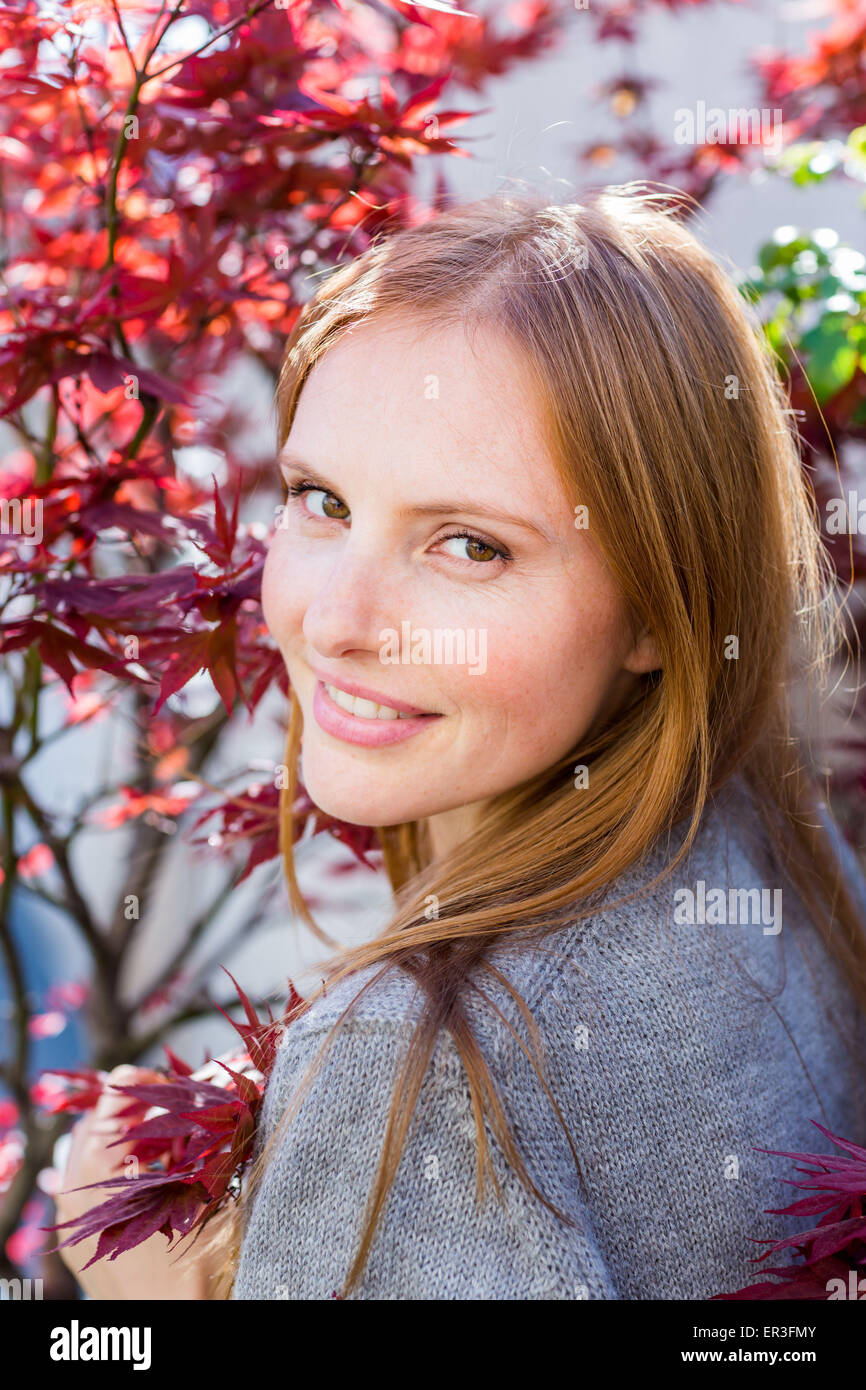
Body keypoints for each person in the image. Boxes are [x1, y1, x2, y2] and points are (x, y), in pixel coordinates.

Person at [58, 186, 866, 1300]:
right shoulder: (762, 831)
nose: (334, 621)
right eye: (320, 500)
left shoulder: (420, 1058)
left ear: (658, 607)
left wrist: (141, 1291)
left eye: (471, 546)